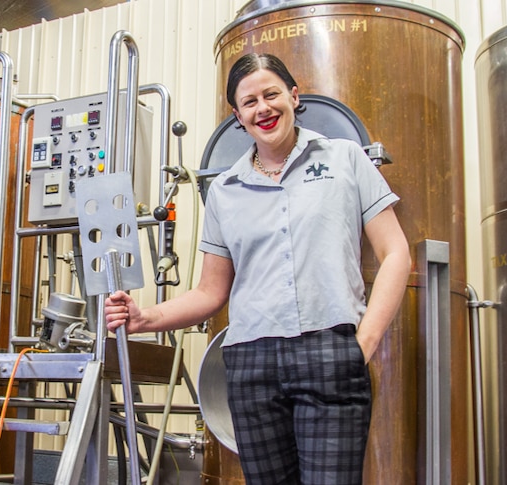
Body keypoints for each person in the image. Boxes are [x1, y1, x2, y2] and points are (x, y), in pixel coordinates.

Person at [104, 52, 411, 484]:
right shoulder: (226, 190)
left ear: (294, 95)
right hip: (251, 362)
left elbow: (396, 252)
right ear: (237, 116)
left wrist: (364, 342)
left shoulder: (345, 159)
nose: (262, 108)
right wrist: (145, 317)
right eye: (249, 102)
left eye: (271, 94)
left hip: (330, 351)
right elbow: (210, 293)